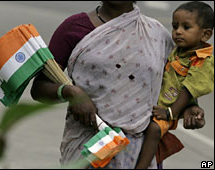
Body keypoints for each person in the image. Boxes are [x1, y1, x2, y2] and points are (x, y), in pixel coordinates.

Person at [30, 1, 207, 169]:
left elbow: (173, 84)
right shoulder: (74, 28)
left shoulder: (157, 34)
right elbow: (39, 88)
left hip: (140, 154)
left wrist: (190, 108)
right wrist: (71, 92)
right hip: (88, 147)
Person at [136, 1, 214, 169]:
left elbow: (190, 89)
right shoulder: (178, 51)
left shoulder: (202, 61)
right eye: (175, 26)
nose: (178, 31)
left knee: (154, 130)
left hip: (168, 110)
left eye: (186, 27)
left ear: (205, 35)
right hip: (155, 104)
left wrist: (170, 113)